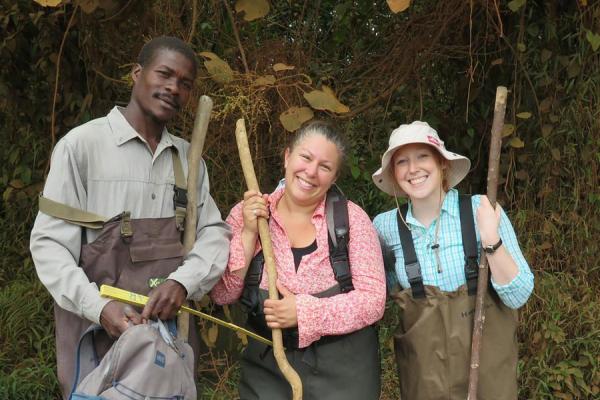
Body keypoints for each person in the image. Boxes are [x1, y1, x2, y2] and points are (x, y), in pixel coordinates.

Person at [29, 36, 231, 398]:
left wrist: (183, 283)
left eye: (185, 84)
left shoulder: (189, 161)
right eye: (164, 74)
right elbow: (49, 247)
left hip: (167, 342)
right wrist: (99, 307)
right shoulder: (81, 147)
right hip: (93, 334)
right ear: (137, 74)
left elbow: (214, 234)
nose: (173, 88)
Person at [211, 121, 386, 400]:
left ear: (334, 177)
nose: (311, 172)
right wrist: (247, 234)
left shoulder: (350, 220)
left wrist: (305, 313)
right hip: (268, 369)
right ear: (286, 157)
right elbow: (222, 293)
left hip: (344, 372)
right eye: (305, 157)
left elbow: (373, 301)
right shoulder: (248, 214)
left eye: (325, 167)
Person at [372, 120, 534, 399]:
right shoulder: (384, 227)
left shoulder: (481, 209)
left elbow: (518, 295)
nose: (413, 169)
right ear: (394, 173)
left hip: (486, 372)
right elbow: (374, 298)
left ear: (442, 163)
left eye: (423, 156)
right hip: (425, 377)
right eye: (402, 162)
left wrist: (491, 239)